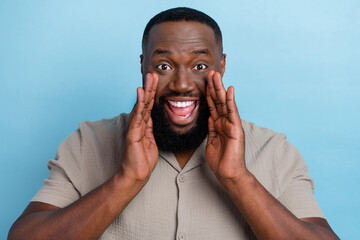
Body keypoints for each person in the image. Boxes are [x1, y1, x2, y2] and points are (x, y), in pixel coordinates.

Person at [8, 7, 339, 240]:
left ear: (221, 66)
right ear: (143, 64)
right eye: (164, 65)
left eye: (199, 65)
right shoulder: (88, 141)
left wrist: (239, 179)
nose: (182, 84)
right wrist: (126, 180)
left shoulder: (274, 150)